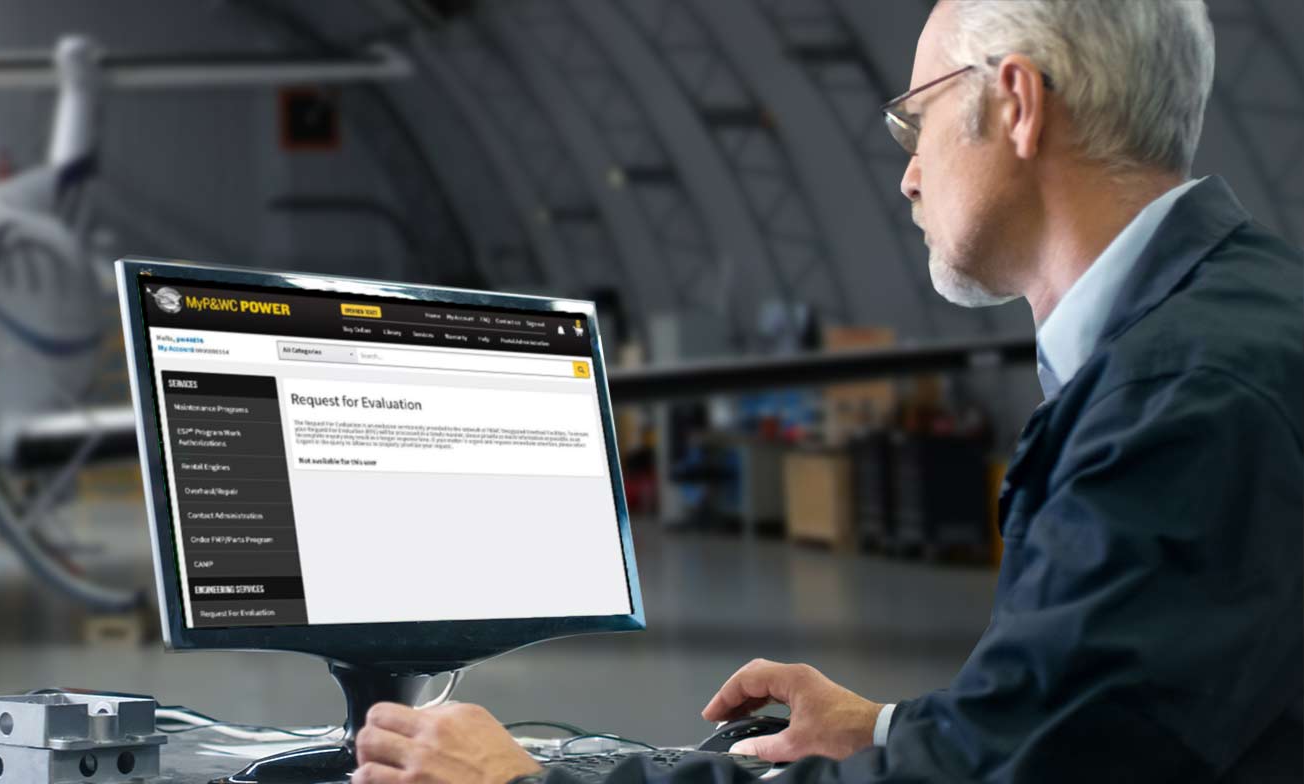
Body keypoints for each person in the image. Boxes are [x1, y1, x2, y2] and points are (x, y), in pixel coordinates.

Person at [352, 2, 1303, 782]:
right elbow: (1081, 723)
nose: (908, 175)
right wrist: (883, 731)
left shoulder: (1183, 400)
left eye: (917, 118)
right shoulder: (1216, 328)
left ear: (1016, 103)